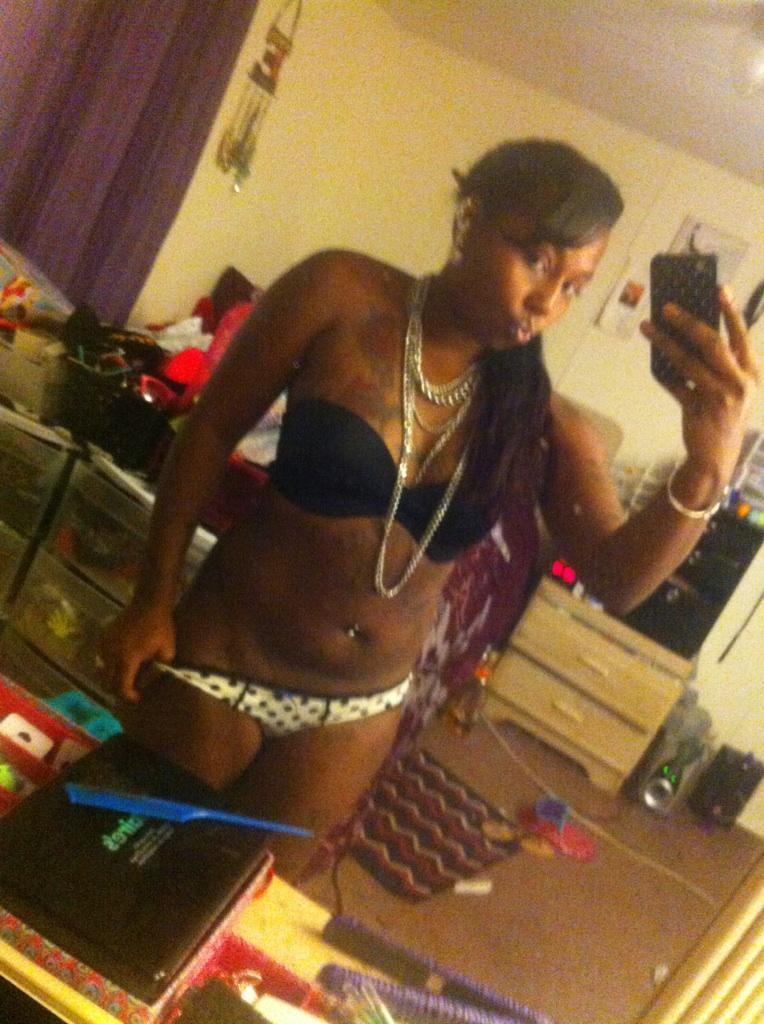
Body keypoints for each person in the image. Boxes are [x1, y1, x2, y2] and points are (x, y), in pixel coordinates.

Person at [99, 139, 759, 881]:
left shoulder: (537, 418)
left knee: (230, 902)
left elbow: (619, 580)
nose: (548, 303)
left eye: (575, 285)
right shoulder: (337, 293)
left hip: (352, 716)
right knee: (116, 872)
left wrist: (708, 468)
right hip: (223, 657)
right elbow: (212, 428)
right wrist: (152, 599)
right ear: (469, 218)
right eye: (537, 260)